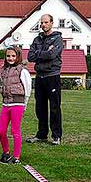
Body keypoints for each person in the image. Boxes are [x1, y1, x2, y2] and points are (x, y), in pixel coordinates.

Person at [26, 14, 63, 145]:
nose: (43, 25)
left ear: (52, 23)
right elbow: (30, 56)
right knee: (40, 107)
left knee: (54, 107)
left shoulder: (57, 38)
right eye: (41, 23)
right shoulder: (37, 39)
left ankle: (56, 136)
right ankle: (41, 134)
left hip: (52, 76)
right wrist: (44, 53)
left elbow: (52, 54)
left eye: (46, 22)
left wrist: (39, 54)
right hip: (39, 76)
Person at [0, 45, 32, 165]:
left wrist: (25, 103)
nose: (10, 58)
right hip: (6, 104)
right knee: (1, 131)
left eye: (13, 56)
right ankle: (6, 152)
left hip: (17, 104)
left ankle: (16, 156)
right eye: (8, 56)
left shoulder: (22, 70)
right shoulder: (3, 70)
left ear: (18, 56)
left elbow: (28, 88)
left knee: (15, 130)